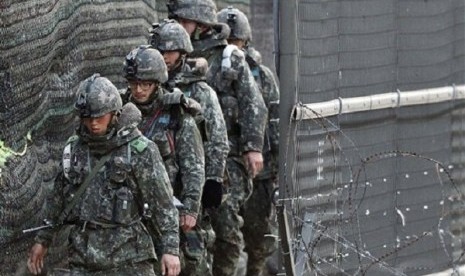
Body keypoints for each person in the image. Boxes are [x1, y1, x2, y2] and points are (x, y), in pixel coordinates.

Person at [27, 74, 181, 276]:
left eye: (99, 117)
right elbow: (58, 196)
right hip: (83, 256)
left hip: (129, 258)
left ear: (114, 113)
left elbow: (163, 203)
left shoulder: (139, 150)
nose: (93, 124)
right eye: (87, 118)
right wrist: (43, 239)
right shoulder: (74, 149)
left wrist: (170, 250)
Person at [167, 0, 269, 275]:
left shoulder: (228, 58)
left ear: (199, 23)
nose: (176, 26)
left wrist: (252, 147)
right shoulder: (171, 55)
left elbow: (253, 104)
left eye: (182, 21)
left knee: (225, 227)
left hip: (228, 158)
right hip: (183, 156)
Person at [150, 19, 230, 275]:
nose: (164, 57)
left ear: (182, 52)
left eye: (169, 52)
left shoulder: (200, 91)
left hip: (191, 183)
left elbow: (217, 139)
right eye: (159, 51)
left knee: (194, 256)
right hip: (158, 185)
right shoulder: (148, 87)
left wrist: (213, 180)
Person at [122, 46, 206, 276]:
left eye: (145, 84)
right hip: (128, 212)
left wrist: (190, 208)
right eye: (133, 84)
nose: (138, 90)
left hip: (170, 206)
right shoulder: (117, 111)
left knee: (191, 264)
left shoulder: (177, 114)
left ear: (157, 83)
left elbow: (194, 166)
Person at [218, 7, 280, 276]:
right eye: (227, 43)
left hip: (259, 174)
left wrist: (274, 169)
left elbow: (274, 123)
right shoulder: (211, 74)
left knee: (259, 238)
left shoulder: (261, 76)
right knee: (225, 238)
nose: (232, 48)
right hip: (226, 169)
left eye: (237, 43)